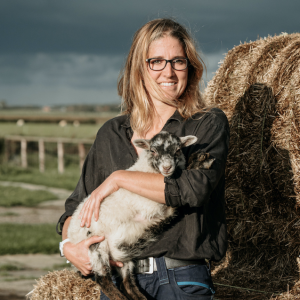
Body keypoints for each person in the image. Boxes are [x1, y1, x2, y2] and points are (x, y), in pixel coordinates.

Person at [56, 18, 229, 300]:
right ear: (139, 68)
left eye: (178, 61)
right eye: (156, 61)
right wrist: (68, 246)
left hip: (181, 280)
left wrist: (118, 179)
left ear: (191, 67)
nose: (169, 72)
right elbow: (77, 206)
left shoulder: (205, 124)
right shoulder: (112, 133)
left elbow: (192, 190)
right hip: (118, 282)